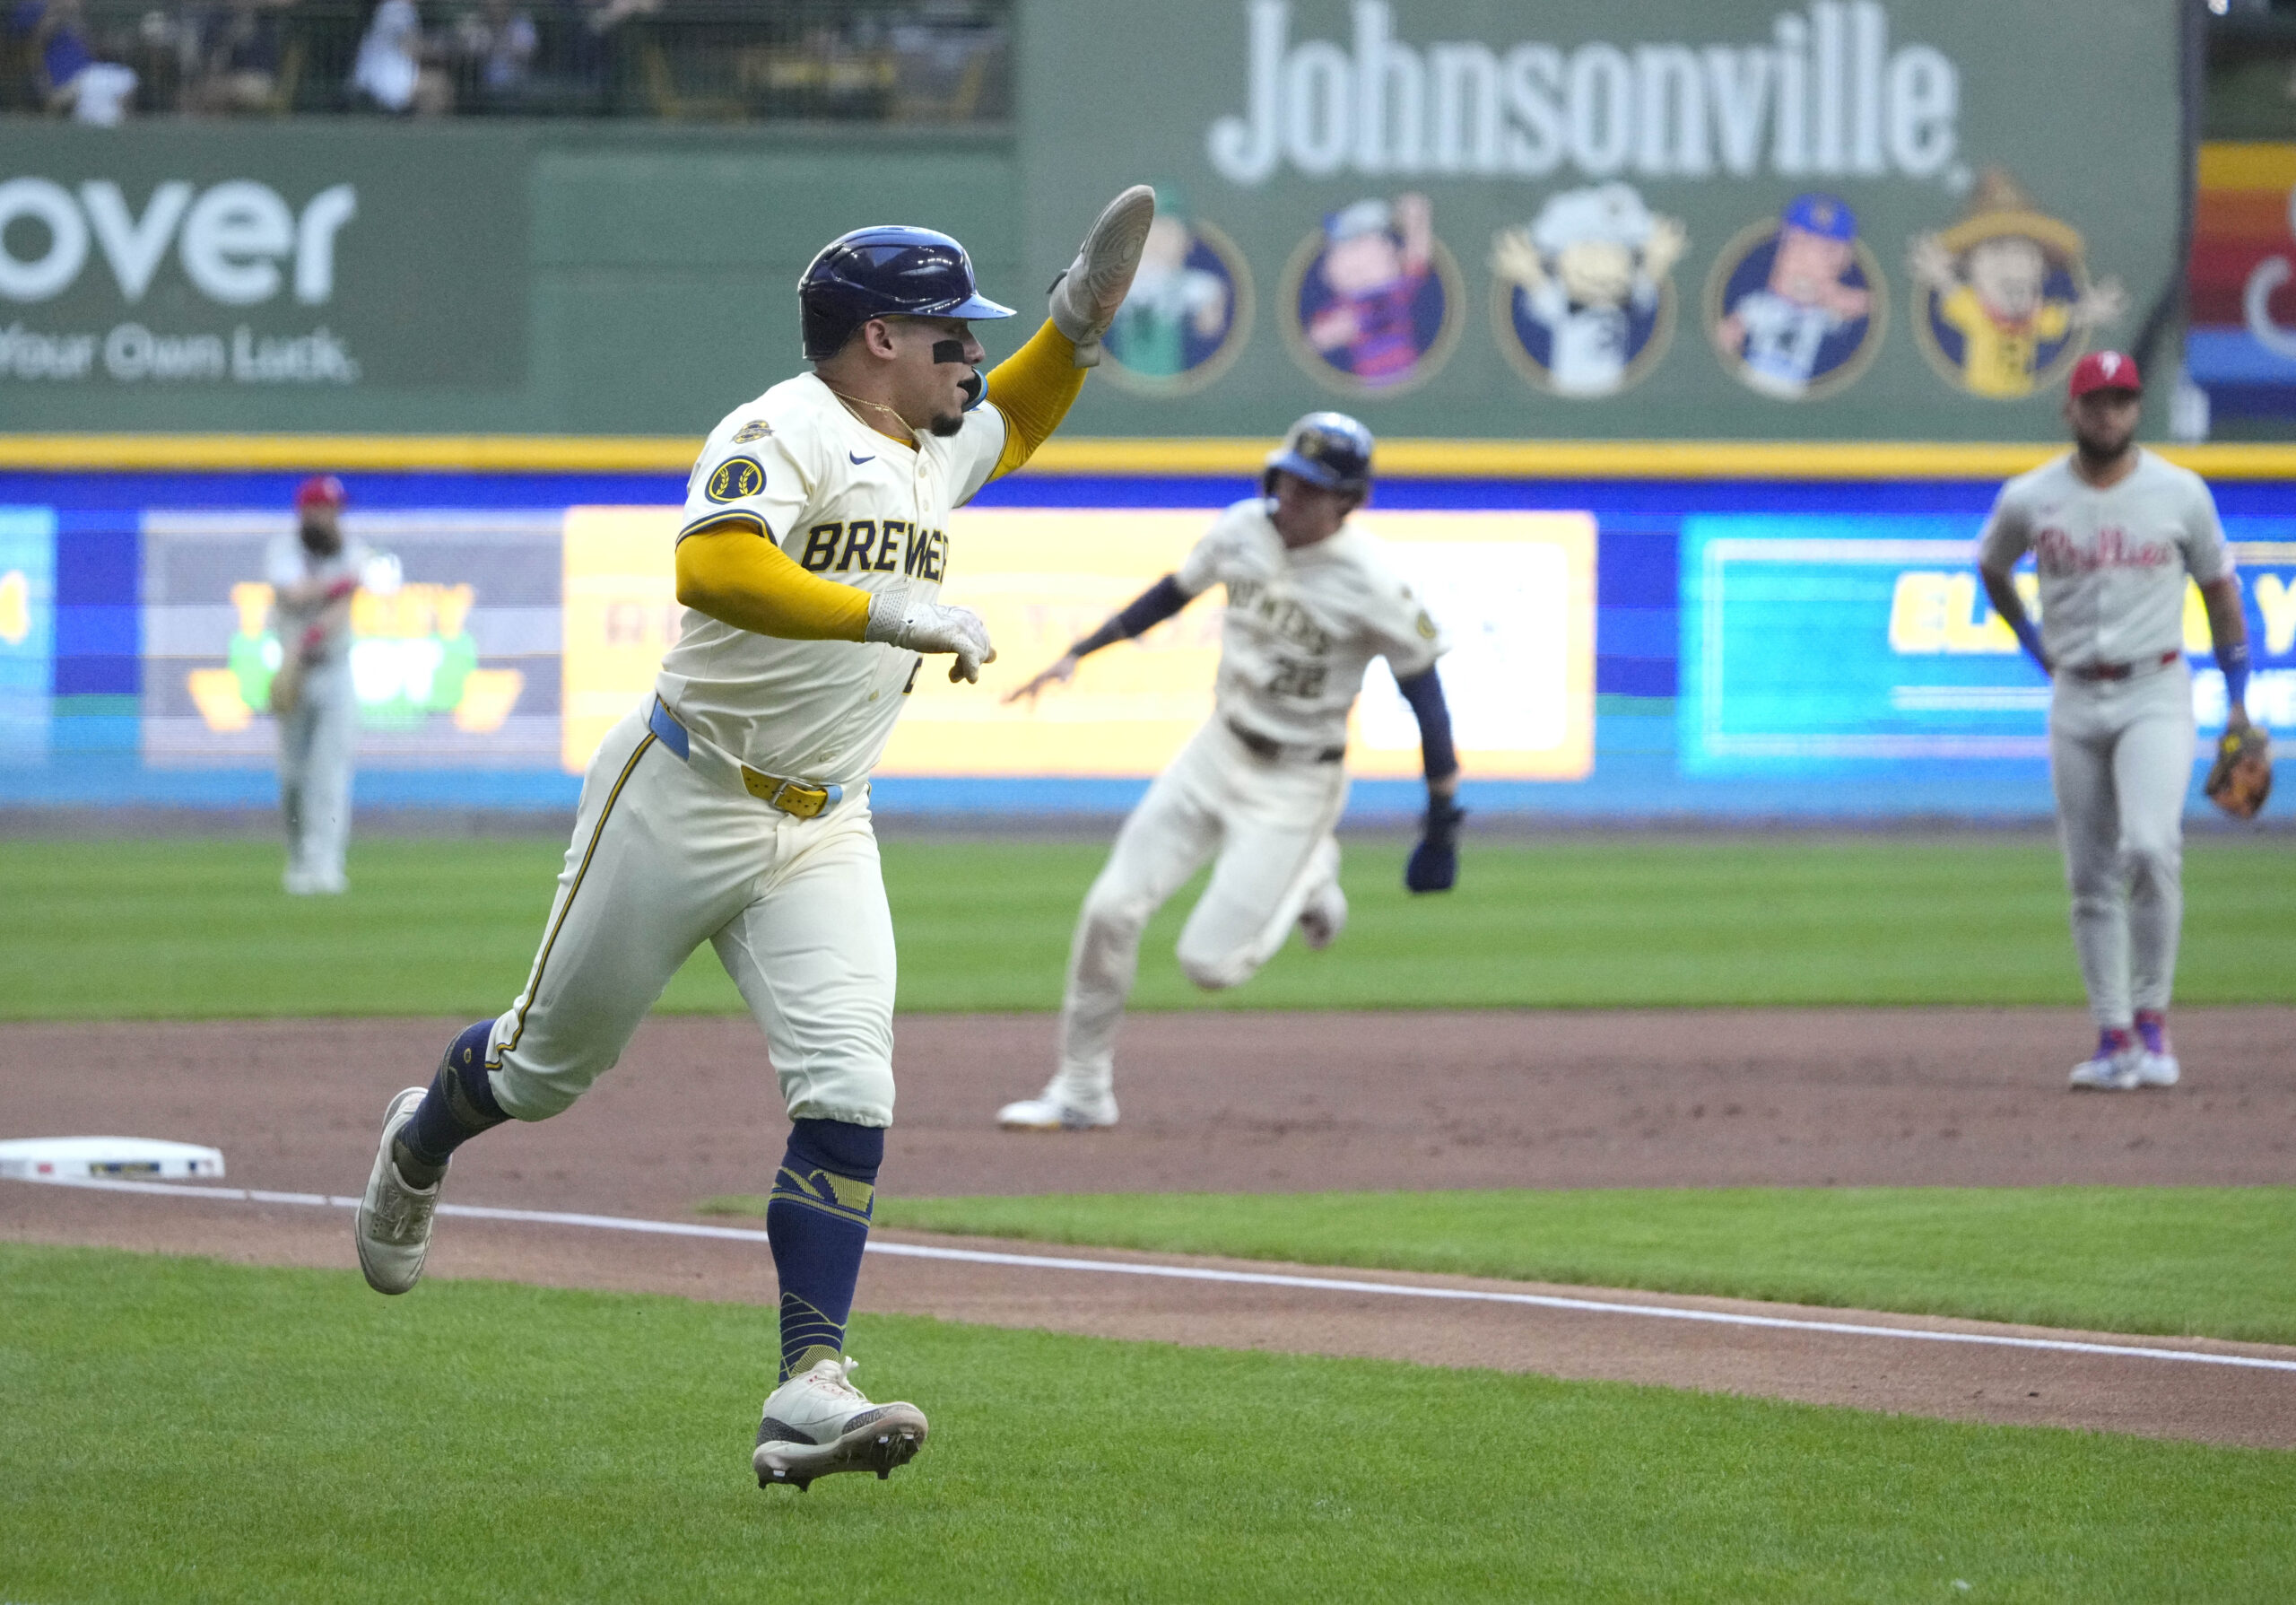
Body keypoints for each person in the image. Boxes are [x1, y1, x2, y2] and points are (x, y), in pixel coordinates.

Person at [353, 188, 1157, 1492]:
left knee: (852, 1093)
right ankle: (420, 1140)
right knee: (543, 1069)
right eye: (950, 331)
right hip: (685, 793)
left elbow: (1016, 411)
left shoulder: (927, 441)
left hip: (826, 822)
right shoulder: (777, 428)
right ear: (879, 337)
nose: (968, 353)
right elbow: (715, 571)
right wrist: (890, 614)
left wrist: (1076, 327)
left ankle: (810, 1379)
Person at [994, 412, 1463, 1133]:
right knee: (1110, 909)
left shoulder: (1374, 583)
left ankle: (1311, 874)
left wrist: (1441, 821)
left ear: (1349, 500)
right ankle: (1082, 1089)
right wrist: (1079, 652)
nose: (1291, 497)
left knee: (1210, 966)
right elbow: (1172, 593)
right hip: (1216, 749)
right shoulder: (1244, 526)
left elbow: (1426, 700)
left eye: (1312, 488)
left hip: (1297, 782)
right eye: (1286, 479)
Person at [1977, 351, 2252, 1091]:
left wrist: (2236, 698)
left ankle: (2154, 1022)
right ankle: (2113, 1037)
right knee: (2090, 875)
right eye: (2095, 400)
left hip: (2155, 688)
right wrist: (2036, 646)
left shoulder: (2180, 492)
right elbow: (1993, 568)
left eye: (2122, 400)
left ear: (2137, 409)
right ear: (2071, 410)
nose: (2109, 412)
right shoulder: (2029, 497)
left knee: (2152, 846)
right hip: (2074, 695)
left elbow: (2221, 593)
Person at [268, 475, 371, 897]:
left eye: (335, 509)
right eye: (323, 509)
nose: (331, 517)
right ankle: (299, 861)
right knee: (293, 776)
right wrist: (335, 585)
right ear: (306, 511)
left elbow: (339, 610)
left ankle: (327, 865)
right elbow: (294, 595)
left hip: (333, 666)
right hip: (293, 669)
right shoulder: (284, 550)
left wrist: (314, 631)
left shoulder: (353, 549)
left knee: (330, 773)